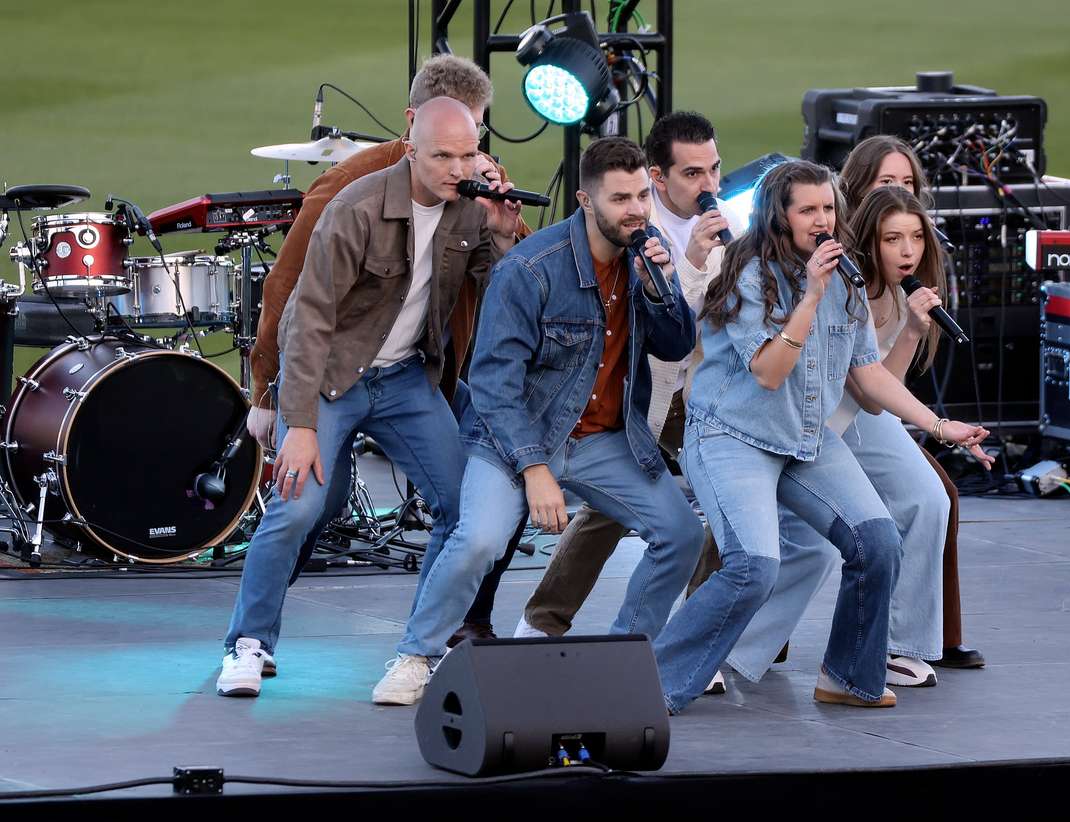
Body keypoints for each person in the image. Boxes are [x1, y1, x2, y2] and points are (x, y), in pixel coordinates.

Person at [371, 137, 705, 706]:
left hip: (602, 439)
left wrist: (661, 286)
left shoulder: (645, 258)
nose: (637, 210)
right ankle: (415, 655)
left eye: (642, 196)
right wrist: (534, 469)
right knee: (478, 538)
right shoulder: (532, 268)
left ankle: (625, 659)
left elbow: (676, 343)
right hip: (512, 438)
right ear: (585, 200)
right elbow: (496, 385)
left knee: (681, 534)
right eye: (621, 198)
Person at [649, 160, 989, 714]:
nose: (822, 219)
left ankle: (847, 676)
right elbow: (768, 371)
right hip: (732, 437)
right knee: (755, 565)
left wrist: (939, 425)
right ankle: (656, 682)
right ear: (780, 217)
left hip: (805, 439)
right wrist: (809, 297)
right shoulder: (748, 272)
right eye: (808, 209)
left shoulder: (845, 278)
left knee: (877, 540)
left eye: (828, 208)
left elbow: (868, 373)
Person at [215, 97, 523, 697]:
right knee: (298, 505)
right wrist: (297, 422)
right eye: (442, 156)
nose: (457, 168)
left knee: (464, 507)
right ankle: (248, 644)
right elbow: (307, 320)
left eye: (467, 154)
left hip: (407, 379)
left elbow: (503, 291)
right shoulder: (355, 207)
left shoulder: (468, 211)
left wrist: (505, 236)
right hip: (332, 377)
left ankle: (418, 651)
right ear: (411, 149)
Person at [513, 111, 741, 641]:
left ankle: (696, 631)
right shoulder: (631, 223)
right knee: (607, 513)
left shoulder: (729, 221)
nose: (708, 185)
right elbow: (661, 325)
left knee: (730, 499)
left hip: (707, 392)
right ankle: (542, 622)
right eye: (692, 173)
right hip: (644, 393)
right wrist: (691, 260)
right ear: (657, 178)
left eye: (714, 169)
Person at [839, 134, 986, 670]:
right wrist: (940, 426)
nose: (900, 193)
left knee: (932, 495)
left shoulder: (909, 272)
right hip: (816, 412)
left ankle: (915, 645)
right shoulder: (836, 267)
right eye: (886, 184)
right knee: (791, 538)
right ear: (856, 190)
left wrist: (912, 327)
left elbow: (881, 390)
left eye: (908, 185)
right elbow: (863, 385)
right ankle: (738, 645)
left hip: (865, 409)